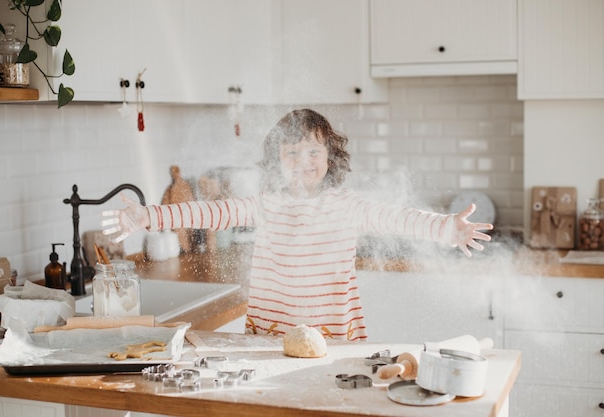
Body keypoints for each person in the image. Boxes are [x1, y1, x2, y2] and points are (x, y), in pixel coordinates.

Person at [102, 109, 493, 341]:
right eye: (291, 152)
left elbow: (397, 219)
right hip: (268, 339)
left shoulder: (347, 206)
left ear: (329, 156)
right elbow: (208, 212)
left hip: (335, 339)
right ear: (277, 161)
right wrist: (148, 215)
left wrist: (446, 228)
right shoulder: (265, 205)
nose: (303, 160)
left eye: (313, 150)